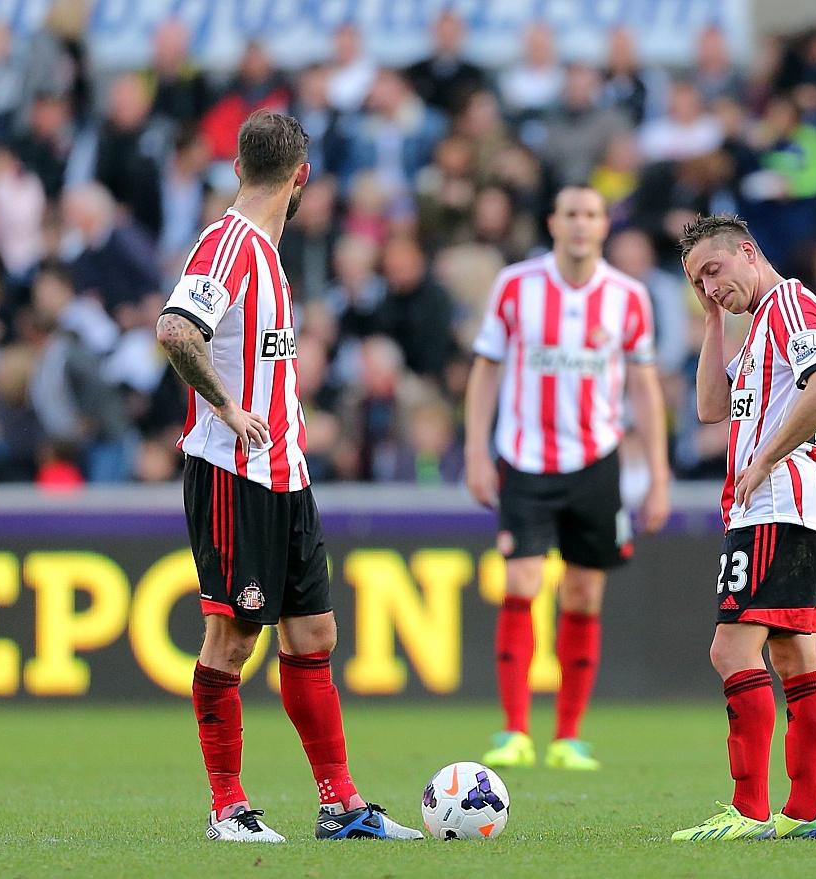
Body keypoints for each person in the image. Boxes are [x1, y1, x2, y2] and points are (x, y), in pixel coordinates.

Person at [155, 109, 422, 843]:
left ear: (240, 166)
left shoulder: (267, 252)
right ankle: (227, 807)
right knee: (233, 639)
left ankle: (340, 805)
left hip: (286, 472)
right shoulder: (230, 246)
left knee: (313, 633)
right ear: (302, 176)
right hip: (233, 471)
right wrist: (228, 406)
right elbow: (176, 330)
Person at [464, 185, 671, 771]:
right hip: (524, 458)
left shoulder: (628, 297)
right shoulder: (516, 286)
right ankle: (513, 730)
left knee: (583, 591)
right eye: (571, 213)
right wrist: (476, 452)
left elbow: (644, 388)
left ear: (604, 226)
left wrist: (658, 474)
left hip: (596, 461)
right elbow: (485, 370)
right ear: (554, 222)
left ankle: (569, 736)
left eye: (591, 214)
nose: (581, 224)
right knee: (523, 581)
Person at [671, 214, 816, 842]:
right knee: (795, 652)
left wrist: (767, 457)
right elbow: (711, 408)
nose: (710, 287)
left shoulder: (791, 304)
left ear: (748, 252)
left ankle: (748, 813)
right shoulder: (754, 330)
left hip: (773, 502)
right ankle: (804, 815)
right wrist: (715, 318)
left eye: (714, 272)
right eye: (697, 282)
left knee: (731, 649)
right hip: (780, 507)